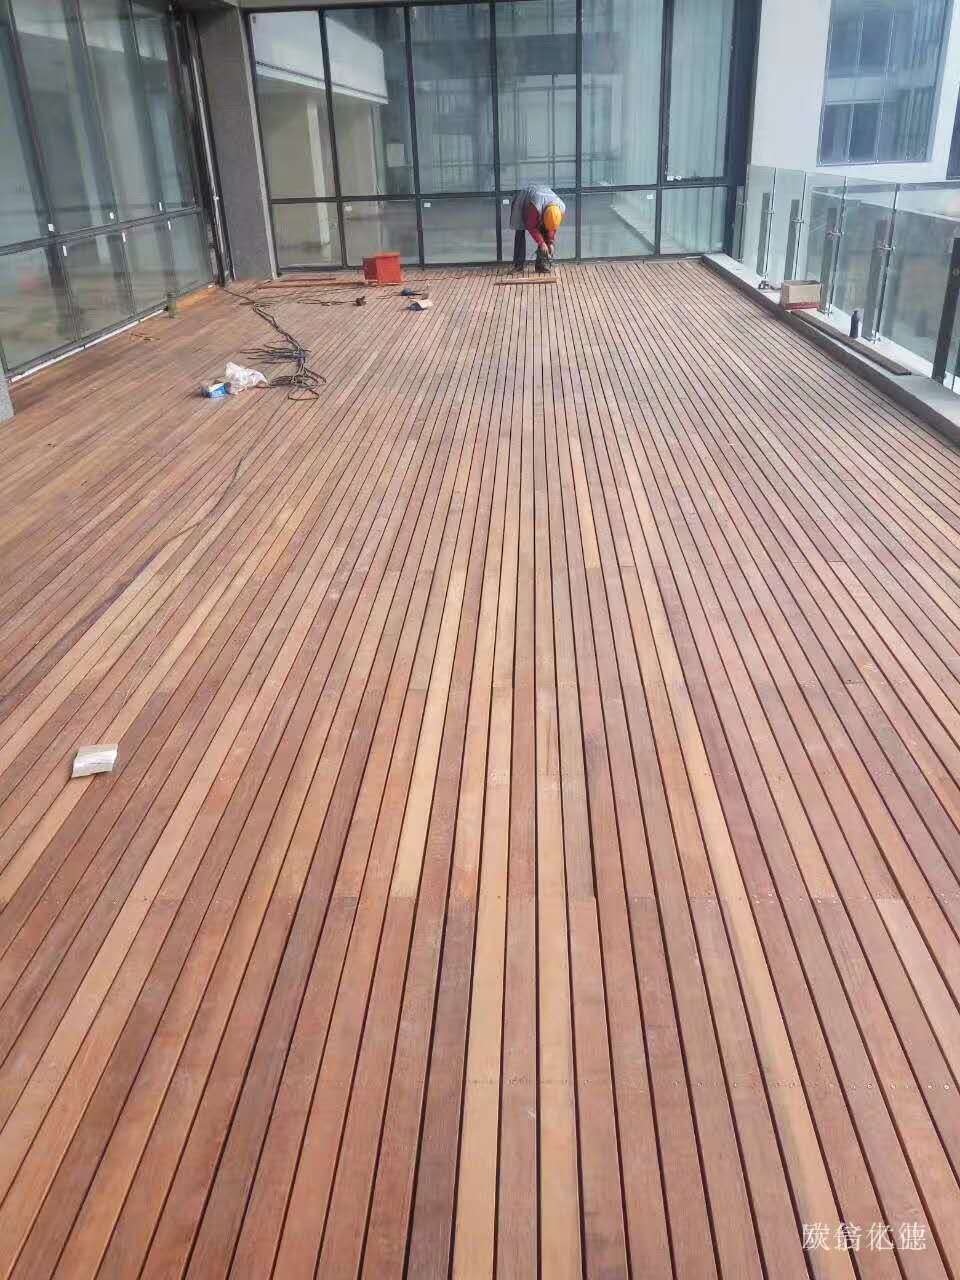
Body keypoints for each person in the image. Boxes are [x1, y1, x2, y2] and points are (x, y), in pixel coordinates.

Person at [509, 184, 566, 273]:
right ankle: (518, 265)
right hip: (523, 200)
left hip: (540, 201)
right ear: (543, 215)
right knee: (520, 231)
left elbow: (552, 227)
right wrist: (541, 243)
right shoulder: (536, 207)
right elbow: (531, 226)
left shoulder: (561, 208)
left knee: (544, 232)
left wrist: (550, 242)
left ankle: (540, 265)